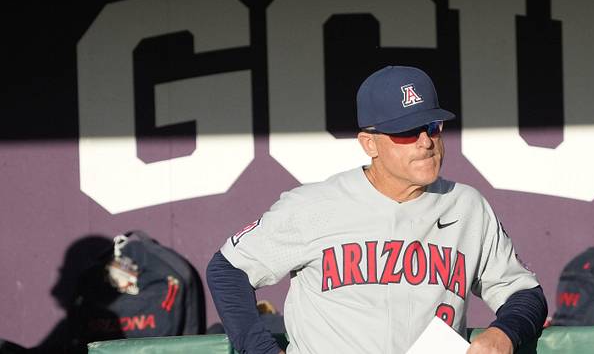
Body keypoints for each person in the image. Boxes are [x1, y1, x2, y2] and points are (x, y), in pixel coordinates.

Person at [207, 65, 547, 354]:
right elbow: (228, 269)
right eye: (405, 132)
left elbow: (524, 294)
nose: (425, 142)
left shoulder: (468, 207)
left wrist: (502, 334)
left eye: (432, 127)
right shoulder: (315, 205)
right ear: (369, 143)